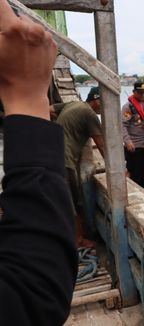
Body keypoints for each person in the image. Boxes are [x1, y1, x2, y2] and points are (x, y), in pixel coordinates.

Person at [0, 1, 77, 324]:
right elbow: (35, 294)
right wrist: (28, 95)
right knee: (70, 206)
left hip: (58, 160)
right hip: (63, 164)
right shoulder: (83, 114)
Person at [55, 86, 105, 248]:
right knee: (73, 201)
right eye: (103, 104)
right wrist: (118, 170)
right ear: (97, 101)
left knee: (64, 197)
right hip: (65, 159)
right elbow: (102, 146)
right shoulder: (90, 115)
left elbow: (48, 108)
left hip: (51, 151)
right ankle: (78, 239)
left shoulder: (72, 104)